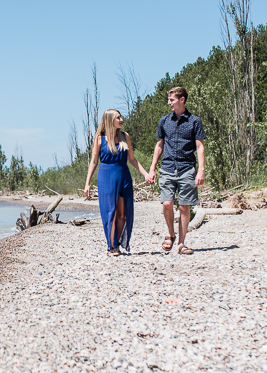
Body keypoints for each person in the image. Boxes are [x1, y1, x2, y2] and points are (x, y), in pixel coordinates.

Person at [145, 86, 206, 255]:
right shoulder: (164, 121)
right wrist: (152, 169)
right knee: (167, 203)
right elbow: (159, 145)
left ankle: (181, 243)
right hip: (167, 168)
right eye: (169, 99)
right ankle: (170, 233)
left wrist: (201, 170)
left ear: (182, 99)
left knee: (185, 207)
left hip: (187, 168)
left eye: (171, 99)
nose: (169, 102)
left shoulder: (194, 121)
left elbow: (200, 146)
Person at [83, 109, 151, 256]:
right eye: (118, 118)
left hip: (124, 175)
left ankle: (117, 243)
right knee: (110, 213)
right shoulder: (99, 139)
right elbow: (94, 161)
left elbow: (132, 159)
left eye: (120, 117)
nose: (121, 120)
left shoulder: (125, 137)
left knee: (122, 215)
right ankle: (111, 246)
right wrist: (87, 183)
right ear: (109, 120)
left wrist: (146, 174)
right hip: (106, 177)